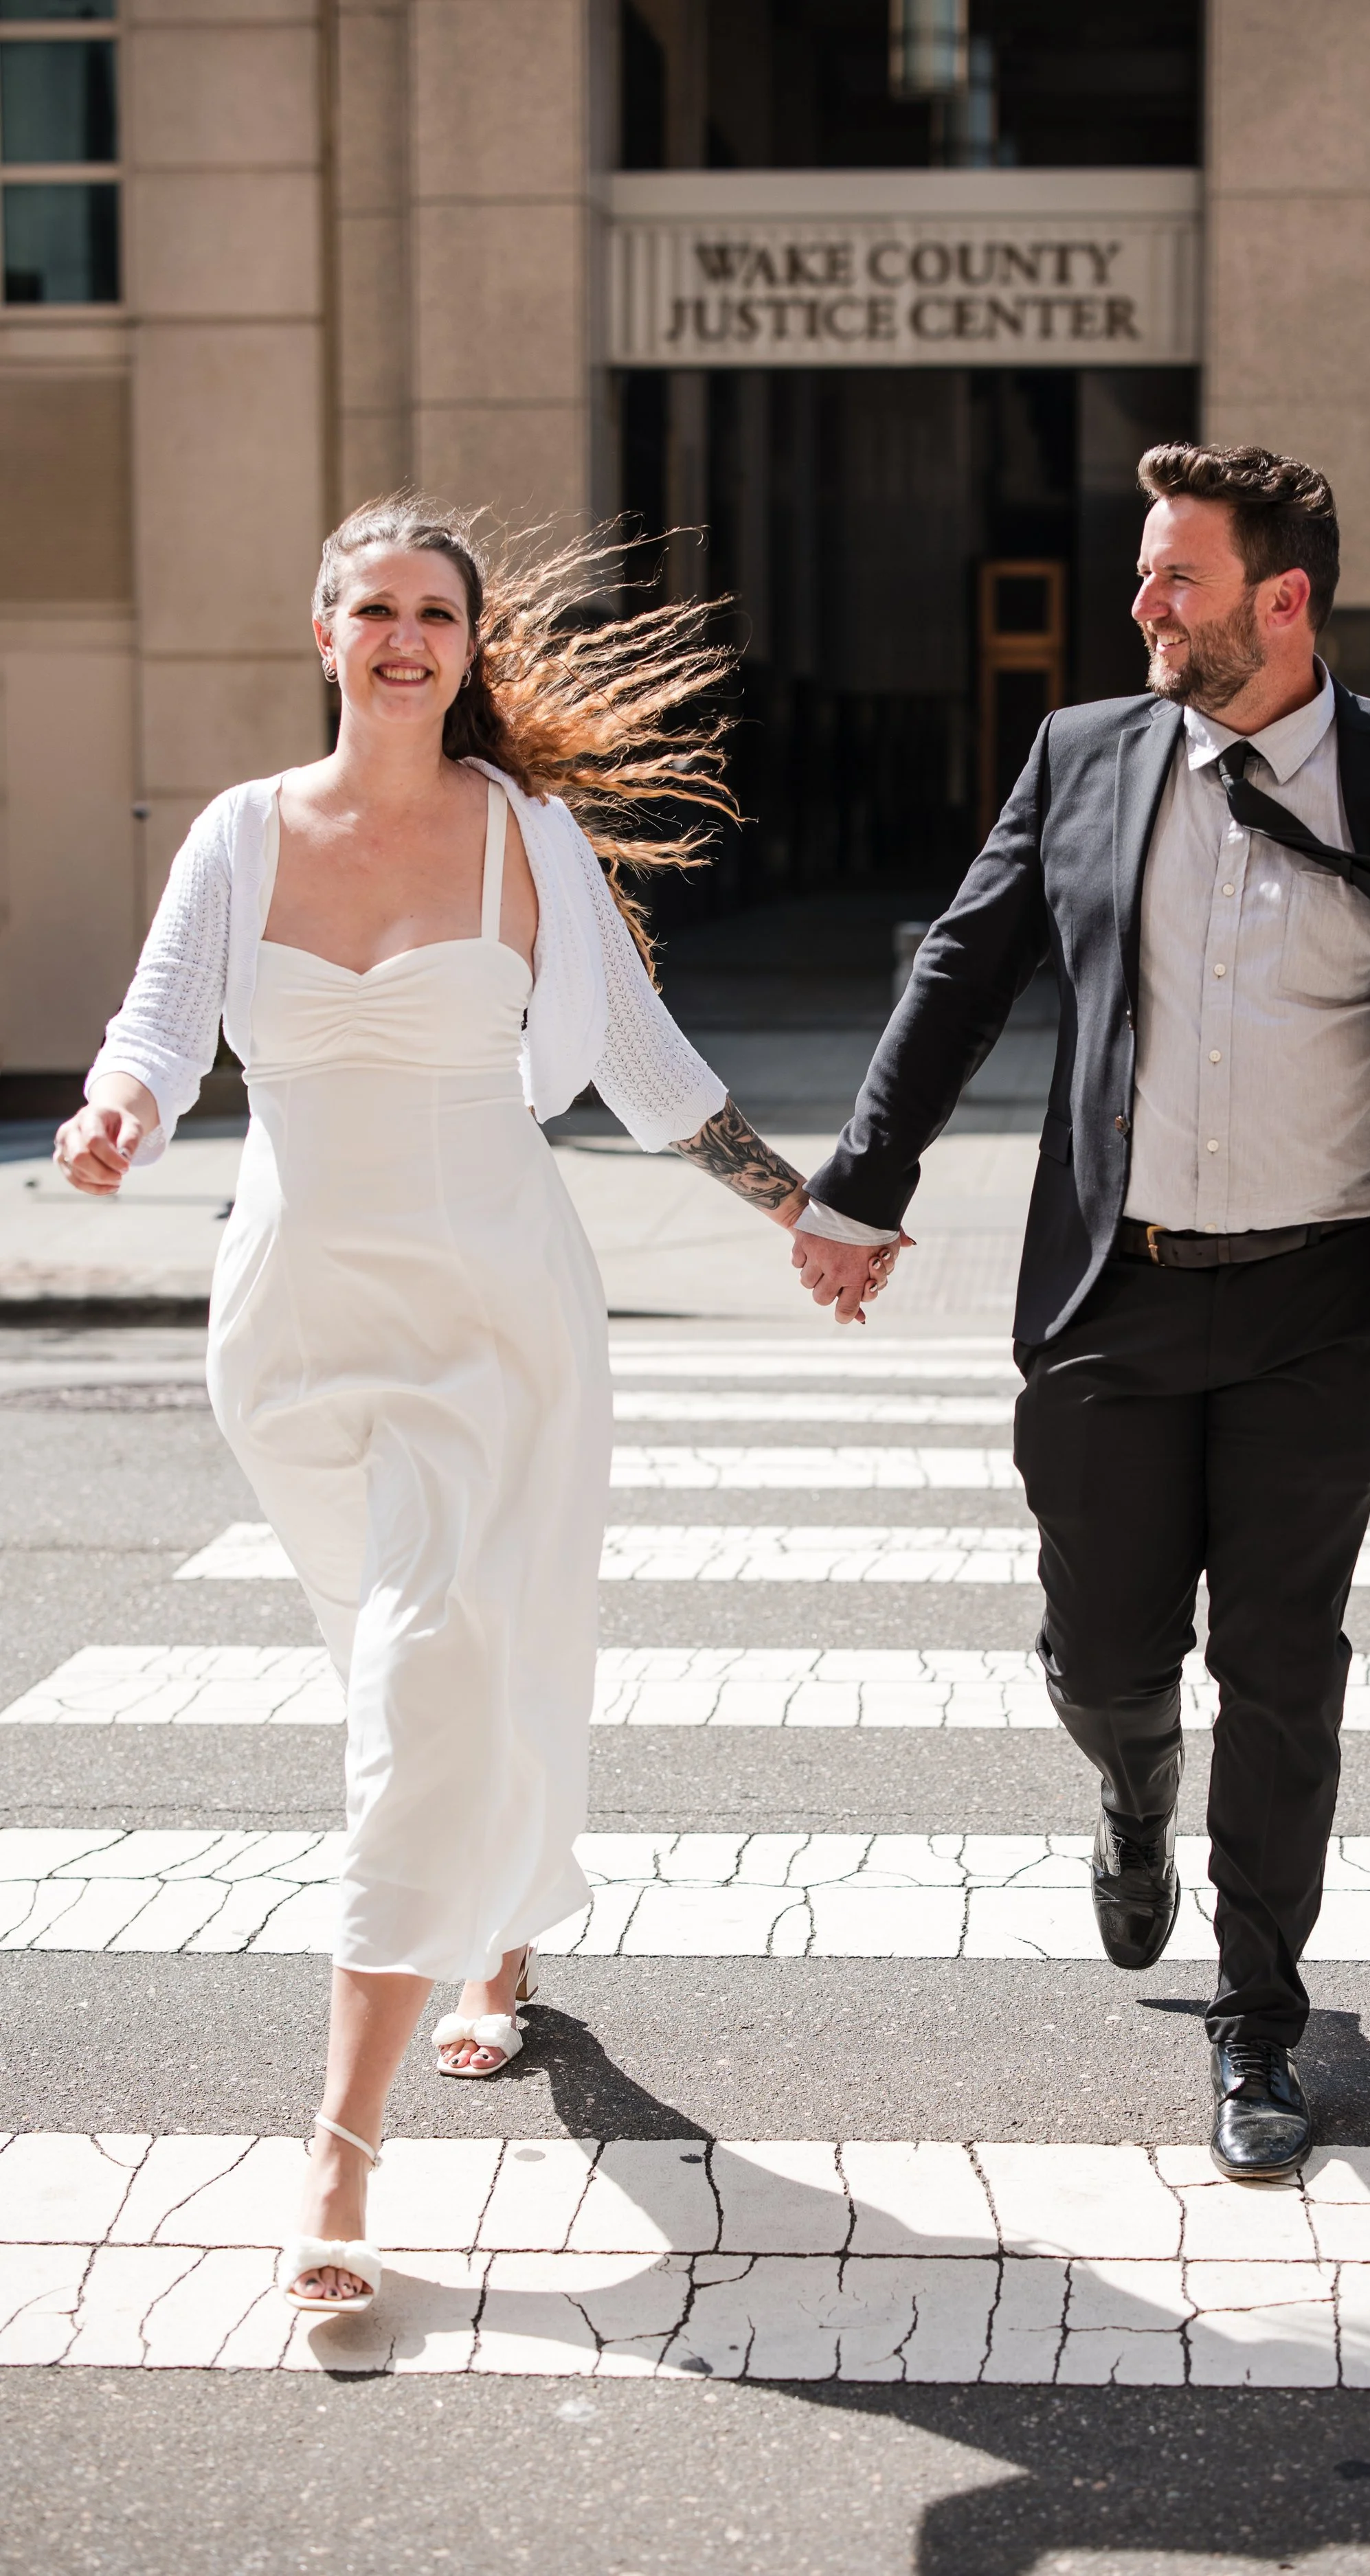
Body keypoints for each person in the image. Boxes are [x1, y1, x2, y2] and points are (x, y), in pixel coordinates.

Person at [53, 495, 863, 2312]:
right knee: (404, 1660)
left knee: (427, 1670)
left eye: (435, 611)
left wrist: (800, 1211)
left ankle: (334, 2161)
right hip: (294, 1314)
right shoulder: (241, 835)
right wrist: (118, 1114)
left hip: (495, 1310)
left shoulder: (526, 837)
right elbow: (161, 1028)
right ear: (321, 634)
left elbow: (647, 1071)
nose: (404, 636)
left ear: (466, 646)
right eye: (372, 608)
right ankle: (491, 1923)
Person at [789, 442, 1370, 2181]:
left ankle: (1256, 2021)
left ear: (1278, 601)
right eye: (1143, 573)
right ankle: (1131, 1790)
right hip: (1111, 1297)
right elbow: (962, 965)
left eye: (1171, 578)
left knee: (1283, 1677)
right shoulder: (1087, 755)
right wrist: (860, 1185)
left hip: (1323, 1303)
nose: (1138, 604)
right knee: (1105, 1654)